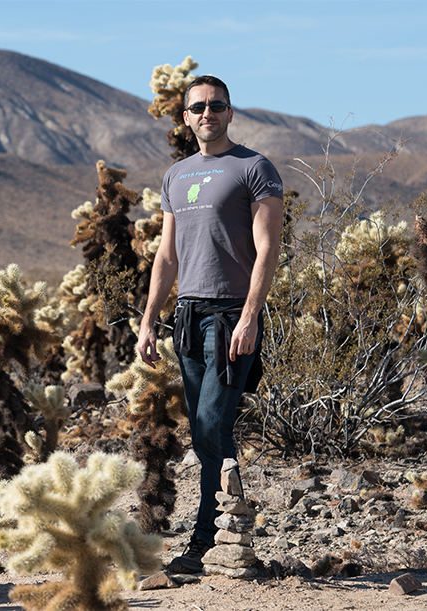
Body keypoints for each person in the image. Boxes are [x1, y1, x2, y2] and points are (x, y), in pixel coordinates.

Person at [136, 75, 284, 574]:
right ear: (185, 117)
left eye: (216, 105)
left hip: (228, 317)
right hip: (187, 315)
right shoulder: (176, 176)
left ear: (229, 111)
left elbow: (268, 249)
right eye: (198, 106)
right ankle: (231, 531)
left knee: (210, 424)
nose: (207, 113)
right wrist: (149, 321)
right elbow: (166, 255)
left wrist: (249, 316)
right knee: (205, 435)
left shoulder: (254, 168)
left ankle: (205, 541)